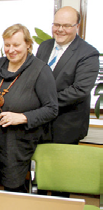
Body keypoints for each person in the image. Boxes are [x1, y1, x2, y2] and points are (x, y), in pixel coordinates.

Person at [0, 24, 58, 192]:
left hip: (19, 138)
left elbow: (52, 109)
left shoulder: (40, 70)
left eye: (16, 45)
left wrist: (22, 117)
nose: (11, 50)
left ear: (28, 44)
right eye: (7, 45)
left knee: (11, 187)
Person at [36, 6, 99, 145]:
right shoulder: (44, 46)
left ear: (77, 26)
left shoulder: (88, 53)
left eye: (66, 26)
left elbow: (80, 90)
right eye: (57, 24)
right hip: (39, 124)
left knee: (61, 166)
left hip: (66, 126)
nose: (60, 29)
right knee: (40, 164)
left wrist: (45, 103)